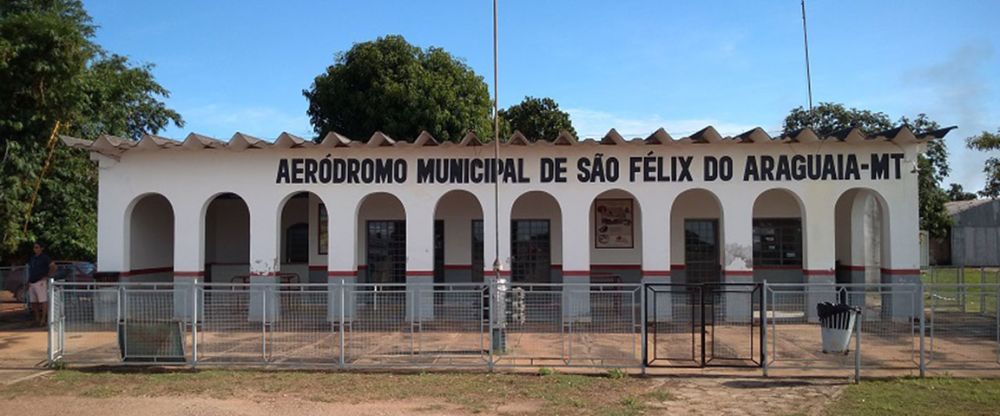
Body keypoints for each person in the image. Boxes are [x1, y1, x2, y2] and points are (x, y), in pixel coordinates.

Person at [27, 242, 55, 327]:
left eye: (37, 247)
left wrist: (47, 277)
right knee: (33, 302)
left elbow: (53, 266)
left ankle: (43, 320)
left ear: (41, 248)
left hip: (40, 282)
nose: (35, 249)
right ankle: (37, 319)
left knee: (43, 301)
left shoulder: (45, 258)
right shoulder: (32, 258)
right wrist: (28, 281)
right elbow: (31, 270)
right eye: (34, 247)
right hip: (32, 282)